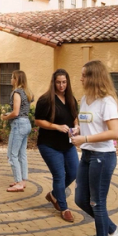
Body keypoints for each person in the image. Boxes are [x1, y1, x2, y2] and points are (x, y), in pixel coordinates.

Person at [72, 59, 118, 236]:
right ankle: (113, 230)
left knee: (97, 203)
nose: (80, 78)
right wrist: (78, 131)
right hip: (87, 155)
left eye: (84, 75)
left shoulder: (107, 102)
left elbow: (114, 132)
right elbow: (86, 123)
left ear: (94, 77)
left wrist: (84, 139)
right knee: (80, 199)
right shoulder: (85, 99)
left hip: (102, 157)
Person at [35, 69, 78, 222]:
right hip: (49, 144)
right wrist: (57, 126)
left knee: (74, 172)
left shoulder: (71, 99)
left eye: (64, 82)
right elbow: (38, 120)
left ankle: (53, 194)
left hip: (67, 144)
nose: (61, 85)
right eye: (58, 82)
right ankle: (64, 207)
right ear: (53, 82)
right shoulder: (46, 100)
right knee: (59, 175)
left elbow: (75, 118)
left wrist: (76, 128)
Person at [1, 70, 32, 193]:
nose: (10, 80)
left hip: (18, 125)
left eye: (12, 77)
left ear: (16, 79)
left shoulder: (17, 93)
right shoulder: (27, 92)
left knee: (12, 155)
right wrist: (11, 114)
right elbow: (22, 111)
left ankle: (18, 182)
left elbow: (16, 112)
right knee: (22, 154)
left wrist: (5, 117)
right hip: (26, 124)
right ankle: (22, 180)